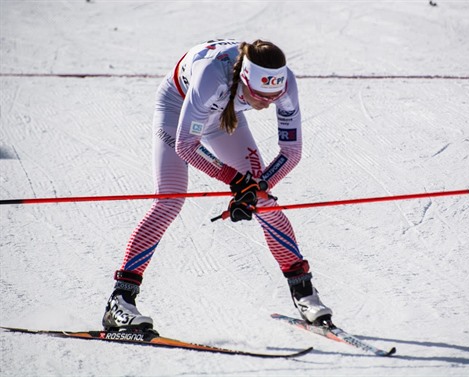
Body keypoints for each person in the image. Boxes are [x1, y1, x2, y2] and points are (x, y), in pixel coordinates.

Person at [102, 39, 333, 331]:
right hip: (179, 107)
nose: (266, 104)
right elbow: (186, 145)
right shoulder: (213, 77)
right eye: (259, 96)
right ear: (245, 80)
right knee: (170, 199)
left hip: (225, 117)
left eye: (272, 97)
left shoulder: (284, 84)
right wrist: (237, 181)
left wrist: (255, 188)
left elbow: (291, 152)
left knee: (264, 201)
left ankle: (304, 293)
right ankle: (119, 301)